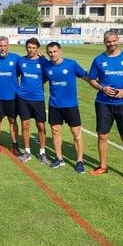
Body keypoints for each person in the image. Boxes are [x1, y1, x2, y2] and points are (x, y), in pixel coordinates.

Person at [87, 30, 123, 184]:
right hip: (103, 104)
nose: (111, 44)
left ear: (118, 40)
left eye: (113, 41)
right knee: (102, 136)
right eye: (108, 41)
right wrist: (102, 88)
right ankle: (103, 166)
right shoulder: (99, 60)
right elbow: (92, 79)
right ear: (104, 41)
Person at [43, 42, 87, 173]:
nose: (52, 54)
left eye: (55, 51)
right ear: (47, 53)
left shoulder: (71, 64)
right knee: (55, 131)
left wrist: (101, 86)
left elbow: (84, 75)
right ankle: (59, 158)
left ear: (60, 51)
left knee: (76, 133)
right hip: (54, 105)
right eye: (50, 52)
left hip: (71, 105)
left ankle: (79, 160)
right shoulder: (47, 67)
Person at [16, 37, 50, 164]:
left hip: (38, 97)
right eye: (29, 47)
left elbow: (48, 76)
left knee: (41, 125)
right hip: (23, 98)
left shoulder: (43, 62)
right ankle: (27, 151)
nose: (31, 50)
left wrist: (38, 84)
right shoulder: (21, 61)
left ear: (38, 49)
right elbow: (16, 74)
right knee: (25, 125)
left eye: (34, 48)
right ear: (26, 48)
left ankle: (42, 152)